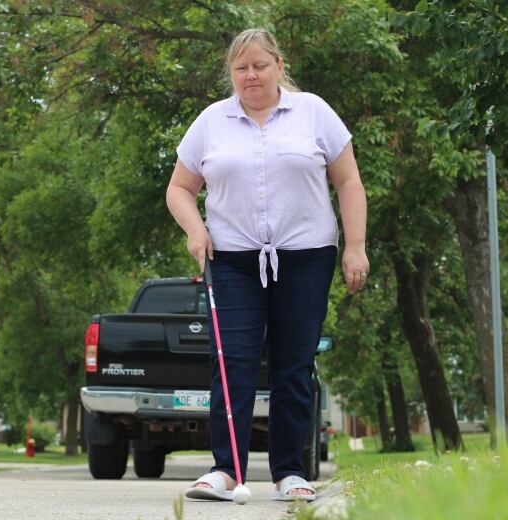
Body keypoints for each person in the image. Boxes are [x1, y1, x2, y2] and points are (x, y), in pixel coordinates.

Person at [166, 28, 368, 502]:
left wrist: (355, 246)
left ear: (278, 64)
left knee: (293, 364)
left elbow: (349, 181)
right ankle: (226, 469)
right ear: (231, 74)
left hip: (306, 257)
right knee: (232, 361)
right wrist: (196, 230)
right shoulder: (211, 122)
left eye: (259, 65)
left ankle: (289, 473)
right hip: (232, 259)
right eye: (241, 68)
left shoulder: (314, 113)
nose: (251, 75)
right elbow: (179, 188)